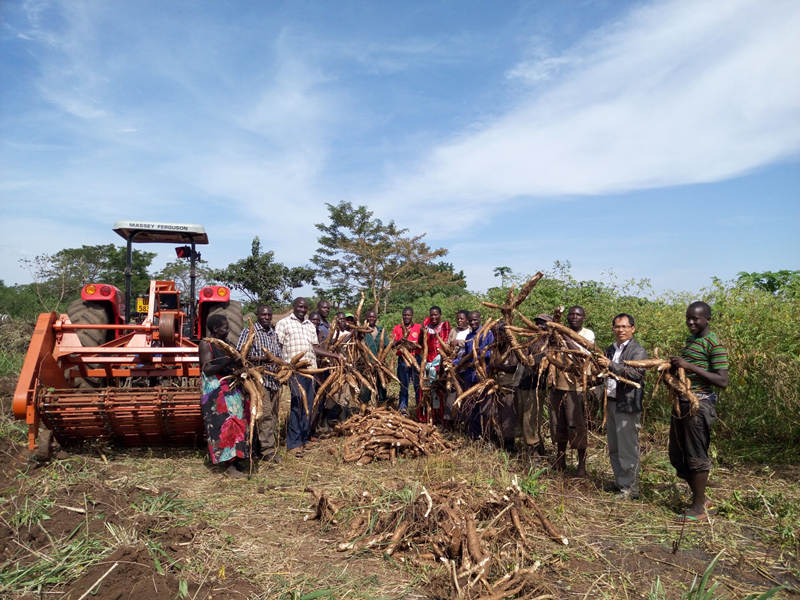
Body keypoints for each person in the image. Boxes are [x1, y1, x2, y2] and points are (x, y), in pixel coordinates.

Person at [669, 301, 728, 522]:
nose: (691, 322)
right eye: (688, 318)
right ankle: (701, 498)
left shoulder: (714, 345)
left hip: (700, 404)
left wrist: (689, 366)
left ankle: (699, 508)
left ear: (707, 319)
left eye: (696, 318)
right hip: (682, 402)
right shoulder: (691, 340)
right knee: (677, 454)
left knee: (696, 455)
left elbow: (722, 380)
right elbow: (689, 368)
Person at [275, 297, 341, 456]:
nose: (302, 309)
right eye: (299, 306)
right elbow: (278, 347)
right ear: (294, 307)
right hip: (295, 370)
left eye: (305, 307)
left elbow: (315, 348)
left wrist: (334, 355)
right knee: (297, 404)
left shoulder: (310, 325)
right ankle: (293, 443)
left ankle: (304, 440)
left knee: (308, 406)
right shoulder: (284, 323)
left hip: (311, 370)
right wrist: (281, 367)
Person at [597, 313, 647, 499]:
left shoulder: (638, 351)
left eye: (625, 327)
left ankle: (631, 489)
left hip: (626, 404)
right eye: (617, 327)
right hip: (610, 401)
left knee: (627, 448)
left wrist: (610, 365)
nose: (621, 330)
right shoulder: (610, 349)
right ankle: (620, 482)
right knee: (614, 446)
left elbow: (635, 374)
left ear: (632, 328)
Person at [199, 314, 249, 477]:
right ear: (215, 329)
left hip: (230, 388)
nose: (228, 331)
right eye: (225, 328)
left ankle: (235, 459)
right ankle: (228, 466)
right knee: (223, 425)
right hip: (215, 391)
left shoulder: (226, 344)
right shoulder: (206, 344)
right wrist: (229, 361)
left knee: (237, 421)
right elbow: (207, 368)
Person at [550, 306, 595, 476]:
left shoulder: (587, 334)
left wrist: (563, 335)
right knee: (558, 423)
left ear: (584, 317)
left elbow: (581, 354)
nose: (574, 317)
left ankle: (581, 465)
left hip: (577, 387)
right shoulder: (559, 333)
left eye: (578, 314)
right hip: (558, 385)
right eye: (571, 314)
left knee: (576, 425)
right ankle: (560, 460)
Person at [235, 305, 282, 464]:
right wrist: (263, 359)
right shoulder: (249, 332)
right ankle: (267, 451)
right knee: (266, 415)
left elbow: (278, 355)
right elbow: (240, 356)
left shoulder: (273, 333)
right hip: (258, 381)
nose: (267, 317)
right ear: (257, 315)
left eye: (269, 314)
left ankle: (257, 447)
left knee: (273, 416)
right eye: (264, 314)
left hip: (274, 380)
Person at [514, 313, 551, 456]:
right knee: (524, 419)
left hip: (536, 387)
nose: (539, 326)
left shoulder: (551, 342)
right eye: (537, 323)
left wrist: (534, 360)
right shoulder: (530, 340)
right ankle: (537, 447)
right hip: (523, 383)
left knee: (531, 419)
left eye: (543, 323)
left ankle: (534, 450)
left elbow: (545, 359)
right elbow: (523, 358)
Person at [452, 311, 494, 438]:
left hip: (482, 375)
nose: (473, 322)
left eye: (475, 320)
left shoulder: (487, 334)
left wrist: (479, 353)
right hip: (470, 375)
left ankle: (487, 436)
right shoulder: (469, 336)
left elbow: (491, 353)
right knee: (471, 406)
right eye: (470, 321)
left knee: (485, 407)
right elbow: (466, 356)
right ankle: (474, 435)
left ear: (481, 318)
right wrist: (454, 362)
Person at [420, 306, 451, 423]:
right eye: (431, 315)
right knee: (427, 390)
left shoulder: (444, 326)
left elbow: (446, 345)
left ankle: (441, 417)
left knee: (440, 390)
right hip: (427, 362)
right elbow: (422, 344)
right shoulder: (426, 328)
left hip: (440, 362)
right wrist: (423, 331)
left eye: (436, 314)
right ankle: (429, 416)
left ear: (440, 315)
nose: (433, 317)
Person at [392, 307, 423, 416]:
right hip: (403, 360)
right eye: (404, 315)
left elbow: (423, 342)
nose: (406, 317)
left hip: (416, 359)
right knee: (404, 385)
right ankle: (403, 408)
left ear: (412, 315)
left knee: (417, 385)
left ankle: (420, 408)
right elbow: (392, 345)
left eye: (408, 315)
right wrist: (400, 341)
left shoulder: (419, 328)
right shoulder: (397, 328)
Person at [444, 310, 471, 424]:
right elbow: (447, 344)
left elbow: (472, 343)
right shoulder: (453, 331)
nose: (459, 321)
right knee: (451, 393)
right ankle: (449, 420)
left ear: (467, 320)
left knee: (465, 394)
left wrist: (460, 342)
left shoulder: (471, 330)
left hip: (466, 366)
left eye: (462, 319)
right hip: (453, 367)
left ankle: (463, 421)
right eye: (458, 319)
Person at [358, 309, 388, 405]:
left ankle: (381, 407)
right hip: (366, 365)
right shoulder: (362, 331)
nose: (372, 318)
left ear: (376, 319)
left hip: (380, 364)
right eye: (370, 317)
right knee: (366, 389)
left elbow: (386, 346)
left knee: (381, 388)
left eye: (373, 317)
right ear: (367, 318)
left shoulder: (380, 330)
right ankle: (363, 408)